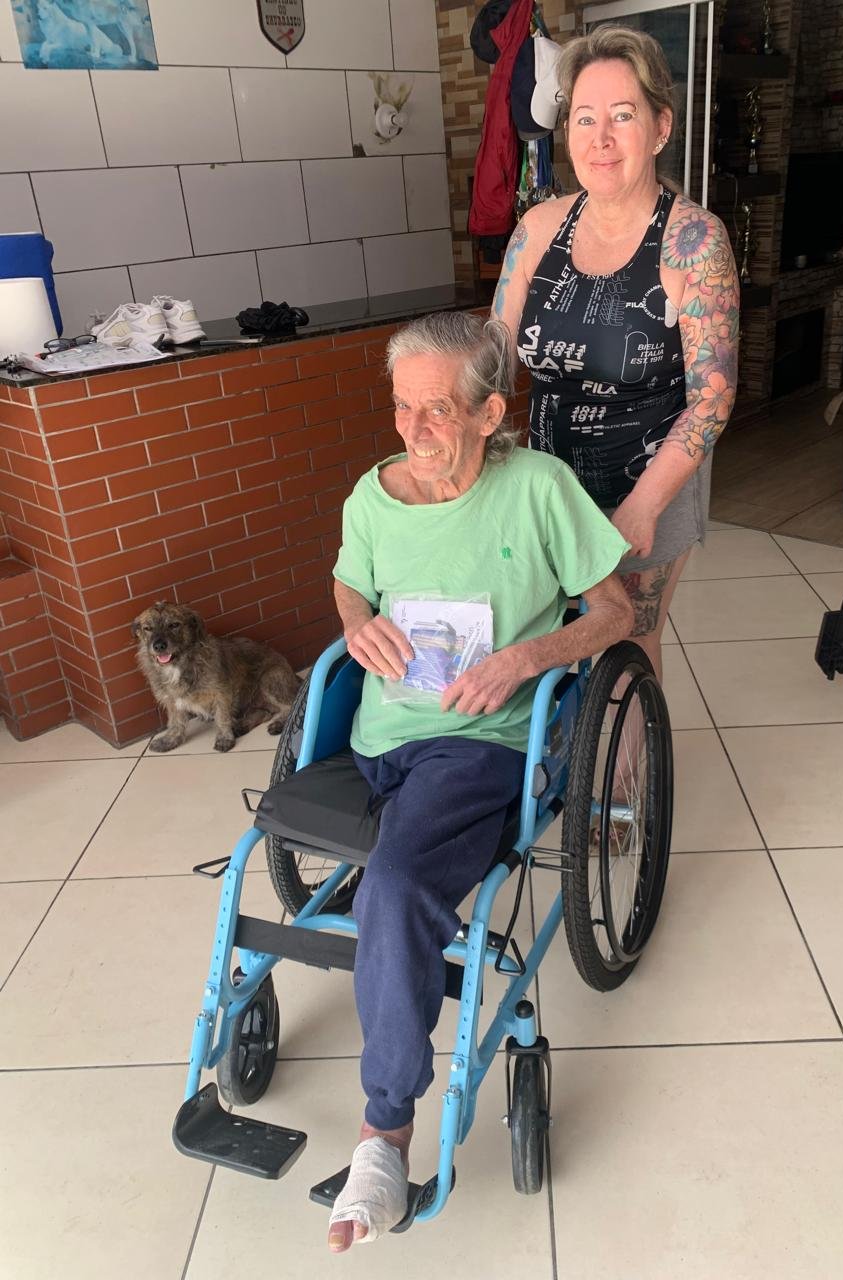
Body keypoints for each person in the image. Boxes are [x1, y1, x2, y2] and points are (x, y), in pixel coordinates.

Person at [327, 310, 633, 1252]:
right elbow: (350, 582)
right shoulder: (372, 495)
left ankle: (384, 1133)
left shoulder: (538, 487)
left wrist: (527, 657)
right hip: (378, 734)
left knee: (397, 886)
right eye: (401, 407)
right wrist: (356, 624)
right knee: (369, 876)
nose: (413, 431)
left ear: (491, 413)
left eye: (438, 410)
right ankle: (396, 931)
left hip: (476, 741)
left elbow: (616, 611)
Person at [493, 25, 740, 680]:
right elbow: (495, 357)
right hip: (549, 494)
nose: (600, 138)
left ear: (660, 127)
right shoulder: (537, 229)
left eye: (622, 116)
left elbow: (712, 399)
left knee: (626, 651)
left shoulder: (694, 242)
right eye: (585, 118)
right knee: (547, 645)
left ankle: (634, 752)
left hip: (647, 486)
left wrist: (643, 506)